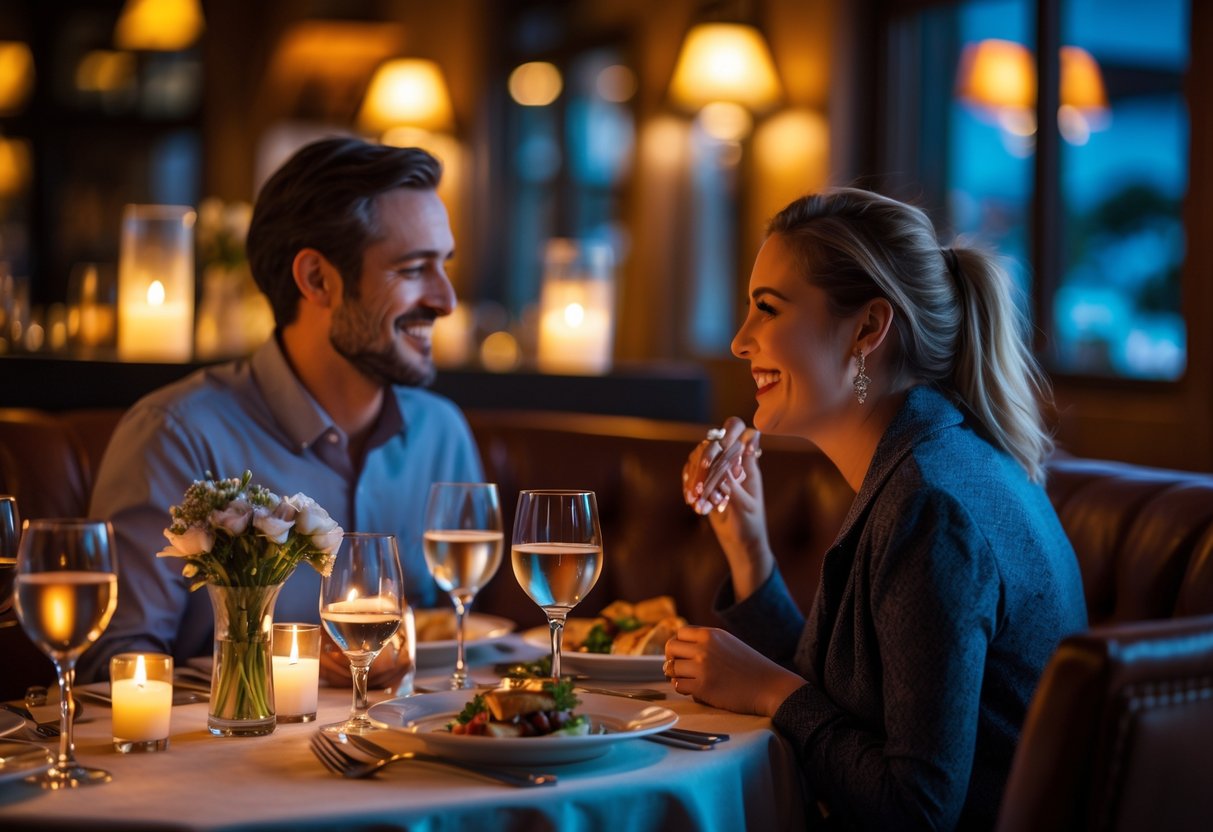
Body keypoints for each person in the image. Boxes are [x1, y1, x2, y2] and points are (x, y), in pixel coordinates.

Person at [667, 188, 1088, 830]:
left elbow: (916, 811)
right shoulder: (937, 463)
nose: (739, 341)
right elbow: (846, 708)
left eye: (767, 309)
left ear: (868, 328)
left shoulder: (931, 510)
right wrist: (747, 547)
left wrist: (770, 691)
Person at [80, 137, 483, 684]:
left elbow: (465, 641)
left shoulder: (442, 433)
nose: (446, 300)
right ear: (317, 280)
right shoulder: (176, 436)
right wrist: (286, 669)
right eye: (413, 269)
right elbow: (111, 668)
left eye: (444, 265)